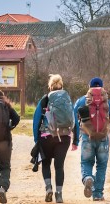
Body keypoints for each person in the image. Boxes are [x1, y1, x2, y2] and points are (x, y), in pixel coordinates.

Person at [32, 74, 78, 203]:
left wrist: (37, 140)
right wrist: (75, 141)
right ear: (61, 85)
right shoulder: (67, 99)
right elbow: (74, 120)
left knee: (46, 164)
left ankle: (48, 189)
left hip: (46, 137)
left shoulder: (45, 99)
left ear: (50, 86)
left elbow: (36, 121)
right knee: (59, 166)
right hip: (63, 138)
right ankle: (59, 194)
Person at [73, 77, 110, 202]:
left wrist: (75, 138)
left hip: (87, 138)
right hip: (103, 138)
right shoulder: (107, 102)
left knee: (86, 163)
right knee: (102, 166)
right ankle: (98, 194)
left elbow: (73, 120)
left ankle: (88, 178)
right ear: (102, 87)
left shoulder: (82, 100)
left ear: (89, 87)